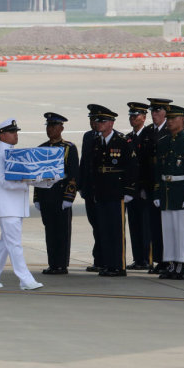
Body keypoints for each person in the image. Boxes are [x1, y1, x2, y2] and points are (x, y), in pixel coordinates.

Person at [0, 118, 43, 290]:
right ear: (2, 135)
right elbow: (3, 182)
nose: (16, 135)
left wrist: (42, 180)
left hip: (16, 206)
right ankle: (25, 280)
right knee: (14, 244)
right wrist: (28, 181)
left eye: (16, 132)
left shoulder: (15, 154)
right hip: (7, 207)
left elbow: (24, 177)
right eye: (12, 132)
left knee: (5, 244)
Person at [87, 107, 138, 277]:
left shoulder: (122, 141)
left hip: (117, 191)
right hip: (102, 191)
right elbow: (94, 169)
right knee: (104, 229)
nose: (99, 124)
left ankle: (118, 265)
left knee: (116, 230)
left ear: (111, 123)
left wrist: (129, 189)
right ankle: (108, 263)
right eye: (98, 121)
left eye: (102, 121)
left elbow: (132, 167)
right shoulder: (97, 142)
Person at [151, 106, 184, 280]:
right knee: (168, 230)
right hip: (166, 191)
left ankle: (181, 264)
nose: (169, 122)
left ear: (182, 121)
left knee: (181, 231)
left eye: (173, 119)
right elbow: (158, 171)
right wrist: (157, 193)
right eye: (169, 118)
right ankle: (171, 263)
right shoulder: (163, 142)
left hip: (181, 192)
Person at [34, 113, 79, 275]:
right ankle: (53, 263)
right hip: (46, 197)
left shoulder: (69, 148)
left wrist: (69, 197)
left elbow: (73, 175)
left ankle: (61, 264)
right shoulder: (41, 148)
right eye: (48, 126)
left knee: (62, 232)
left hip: (61, 196)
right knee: (50, 231)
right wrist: (37, 198)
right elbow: (36, 176)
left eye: (54, 126)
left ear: (61, 128)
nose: (50, 129)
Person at [141, 98, 170, 273]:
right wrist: (143, 186)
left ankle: (168, 260)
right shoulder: (148, 131)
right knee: (154, 226)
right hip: (151, 186)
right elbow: (144, 162)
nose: (154, 114)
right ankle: (159, 259)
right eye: (152, 111)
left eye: (157, 110)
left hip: (166, 187)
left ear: (166, 112)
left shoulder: (170, 130)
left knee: (167, 226)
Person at [124, 102, 152, 270]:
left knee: (145, 225)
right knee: (134, 225)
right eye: (131, 116)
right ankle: (138, 258)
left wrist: (144, 187)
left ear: (144, 117)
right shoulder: (128, 138)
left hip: (144, 189)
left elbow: (147, 165)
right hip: (131, 190)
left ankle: (147, 258)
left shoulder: (149, 135)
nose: (133, 118)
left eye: (136, 116)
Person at [78, 107, 103, 272]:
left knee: (105, 226)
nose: (93, 123)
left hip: (104, 191)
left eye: (96, 120)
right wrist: (80, 186)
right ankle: (98, 259)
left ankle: (107, 259)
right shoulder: (88, 136)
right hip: (89, 190)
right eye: (91, 119)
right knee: (95, 225)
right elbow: (84, 162)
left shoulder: (113, 138)